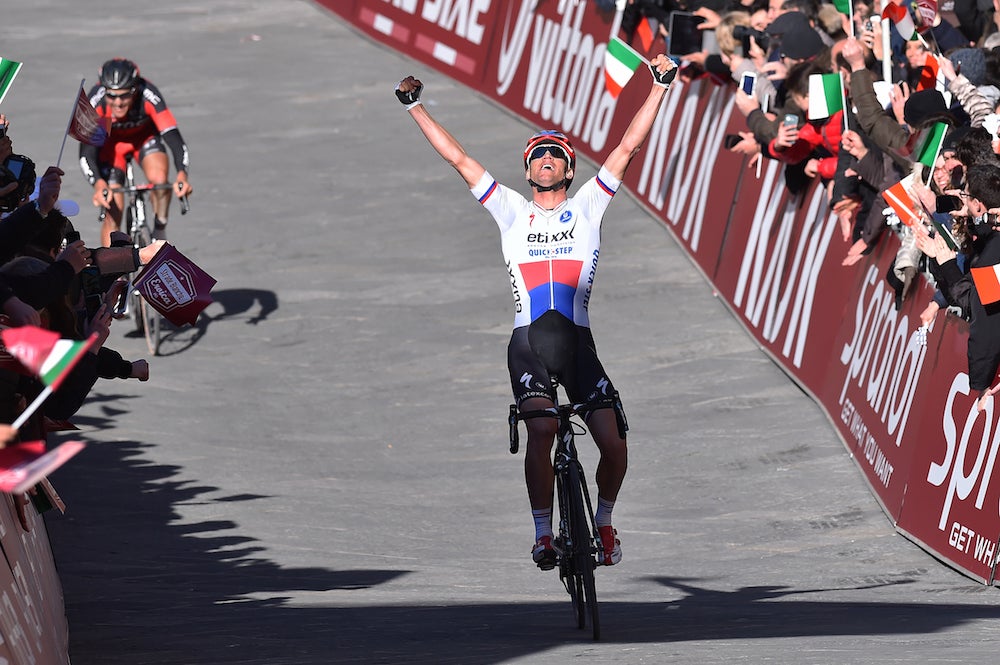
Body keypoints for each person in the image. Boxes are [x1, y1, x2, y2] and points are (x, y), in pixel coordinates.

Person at [395, 53, 677, 569]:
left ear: (569, 169)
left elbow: (628, 146)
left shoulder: (590, 203)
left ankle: (606, 521)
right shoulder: (509, 209)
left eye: (555, 155)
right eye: (537, 156)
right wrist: (416, 107)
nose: (545, 160)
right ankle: (544, 533)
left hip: (577, 343)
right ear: (527, 171)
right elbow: (459, 159)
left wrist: (658, 86)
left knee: (614, 444)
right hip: (529, 344)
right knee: (543, 431)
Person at [79, 58, 193, 246]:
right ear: (103, 90)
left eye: (124, 96)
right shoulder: (95, 101)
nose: (118, 103)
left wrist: (182, 174)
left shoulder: (149, 94)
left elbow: (175, 139)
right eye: (111, 96)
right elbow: (86, 153)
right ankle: (112, 273)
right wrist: (98, 184)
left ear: (136, 89)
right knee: (112, 210)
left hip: (144, 140)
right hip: (111, 147)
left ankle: (159, 230)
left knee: (159, 181)